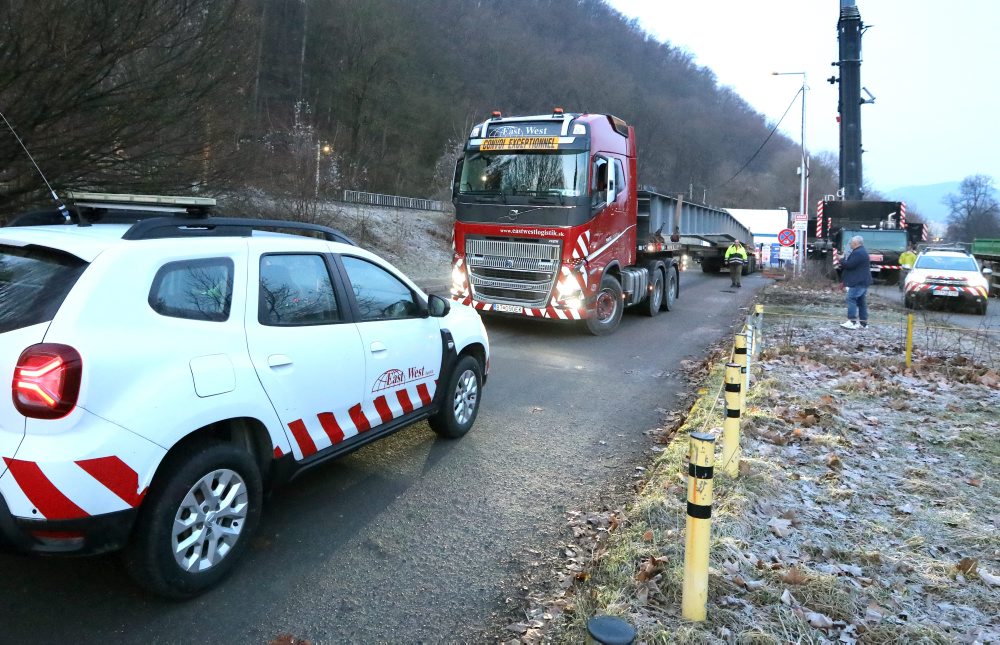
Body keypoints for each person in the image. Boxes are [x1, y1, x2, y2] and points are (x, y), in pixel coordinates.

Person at [840, 235, 871, 329]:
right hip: (863, 281)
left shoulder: (858, 253)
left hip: (858, 281)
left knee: (851, 298)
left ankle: (852, 321)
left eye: (851, 243)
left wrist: (841, 259)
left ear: (856, 243)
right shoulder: (862, 251)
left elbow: (849, 265)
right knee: (861, 302)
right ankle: (863, 323)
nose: (850, 244)